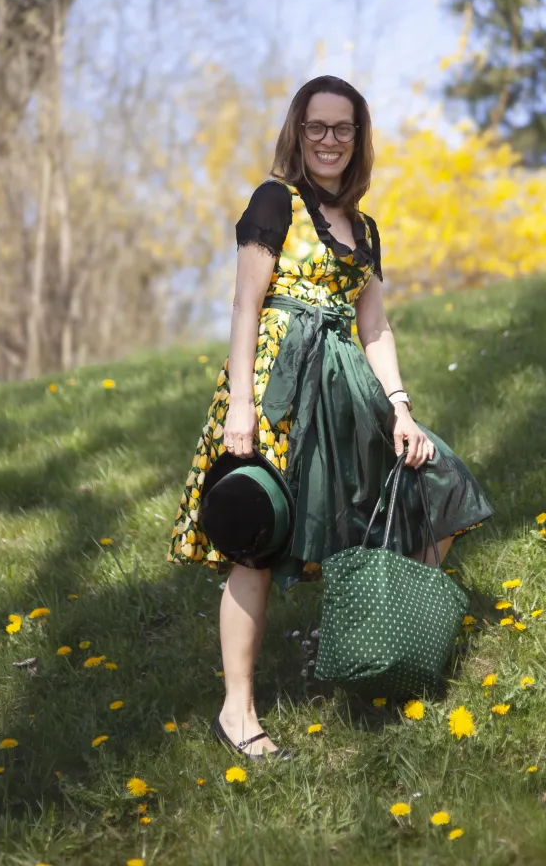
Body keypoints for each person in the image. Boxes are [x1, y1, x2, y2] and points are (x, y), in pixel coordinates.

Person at [167, 75, 493, 758]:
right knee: (258, 542)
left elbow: (375, 327)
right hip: (276, 393)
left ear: (358, 137)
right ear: (298, 131)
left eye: (343, 128)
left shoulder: (364, 227)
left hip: (347, 394)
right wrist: (240, 409)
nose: (329, 140)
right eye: (317, 126)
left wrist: (400, 408)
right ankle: (237, 713)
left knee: (438, 484)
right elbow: (245, 306)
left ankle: (362, 638)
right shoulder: (274, 201)